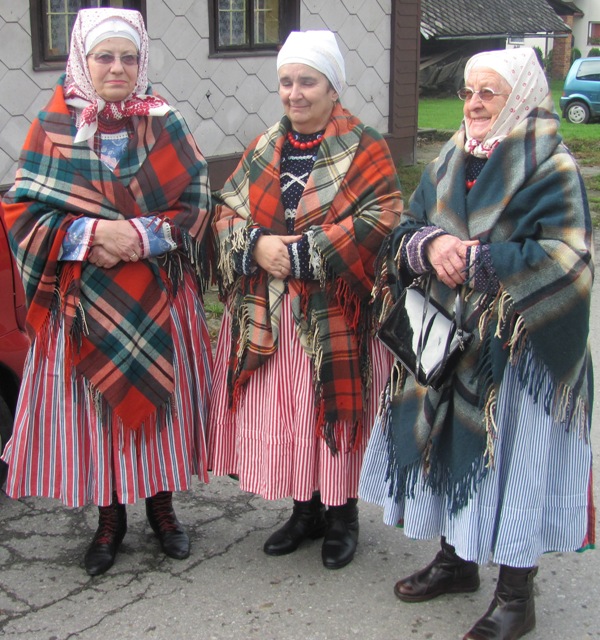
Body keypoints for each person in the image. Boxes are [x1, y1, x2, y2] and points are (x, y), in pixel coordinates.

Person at [359, 48, 594, 639]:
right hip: (446, 340)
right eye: (468, 91)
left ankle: (517, 596)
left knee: (513, 466)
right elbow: (408, 229)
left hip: (515, 354)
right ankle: (456, 561)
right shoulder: (451, 155)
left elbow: (568, 260)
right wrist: (428, 248)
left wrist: (481, 262)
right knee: (446, 447)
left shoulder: (550, 163)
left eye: (489, 92)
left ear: (518, 96)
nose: (475, 102)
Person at [1, 8, 213, 576]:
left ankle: (164, 508)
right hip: (85, 300)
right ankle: (110, 517)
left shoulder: (165, 122)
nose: (117, 68)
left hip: (158, 293)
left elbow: (195, 205)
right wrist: (92, 234)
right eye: (104, 57)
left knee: (160, 401)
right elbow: (23, 212)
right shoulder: (52, 127)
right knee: (97, 410)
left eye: (128, 57)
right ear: (82, 61)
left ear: (141, 62)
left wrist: (136, 236)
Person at [208, 30, 402, 569]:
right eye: (287, 81)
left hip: (334, 311)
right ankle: (305, 509)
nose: (295, 93)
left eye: (308, 81)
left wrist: (303, 254)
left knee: (330, 408)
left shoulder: (365, 145)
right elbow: (226, 210)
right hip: (272, 312)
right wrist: (257, 244)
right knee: (290, 411)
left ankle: (342, 515)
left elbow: (382, 214)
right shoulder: (266, 144)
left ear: (333, 87)